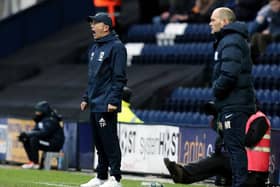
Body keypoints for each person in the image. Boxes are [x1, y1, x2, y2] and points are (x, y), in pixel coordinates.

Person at [209, 7, 256, 186]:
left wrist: (216, 90)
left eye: (214, 20)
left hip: (235, 103)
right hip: (233, 102)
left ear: (225, 22)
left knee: (235, 148)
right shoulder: (229, 40)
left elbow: (229, 75)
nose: (210, 23)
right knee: (232, 147)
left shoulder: (231, 40)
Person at [164, 108, 271, 187]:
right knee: (218, 160)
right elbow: (221, 141)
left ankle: (184, 174)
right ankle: (183, 175)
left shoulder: (260, 119)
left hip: (254, 172)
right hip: (244, 166)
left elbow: (249, 141)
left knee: (220, 160)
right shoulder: (244, 119)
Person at [80, 12, 127, 187]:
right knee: (99, 142)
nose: (92, 26)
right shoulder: (94, 48)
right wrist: (86, 97)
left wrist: (114, 100)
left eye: (95, 23)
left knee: (109, 140)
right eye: (91, 23)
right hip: (94, 102)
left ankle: (115, 177)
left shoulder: (117, 47)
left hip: (106, 103)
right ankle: (101, 176)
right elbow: (93, 78)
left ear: (106, 27)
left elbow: (119, 77)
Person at [18, 101, 65, 169]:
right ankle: (32, 162)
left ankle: (35, 163)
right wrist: (26, 135)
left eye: (39, 111)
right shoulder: (41, 119)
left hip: (54, 144)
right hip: (46, 141)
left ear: (44, 111)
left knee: (33, 139)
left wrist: (29, 134)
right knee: (26, 139)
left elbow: (45, 133)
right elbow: (35, 131)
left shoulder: (51, 119)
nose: (36, 113)